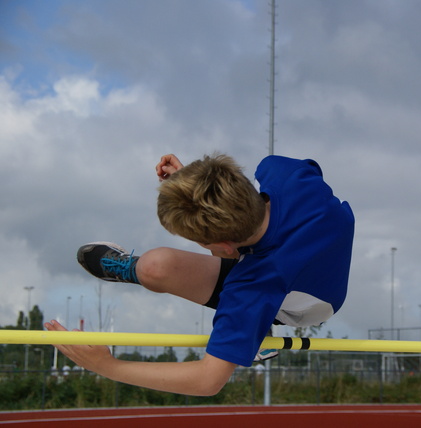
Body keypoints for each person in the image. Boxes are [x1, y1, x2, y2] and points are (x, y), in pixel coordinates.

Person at [44, 153, 355, 396]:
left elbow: (207, 381)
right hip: (295, 267)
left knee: (231, 296)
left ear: (225, 246)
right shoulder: (287, 173)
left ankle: (257, 329)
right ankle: (134, 269)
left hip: (301, 306)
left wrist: (106, 365)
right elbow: (268, 184)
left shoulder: (252, 285)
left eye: (203, 243)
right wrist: (192, 183)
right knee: (155, 267)